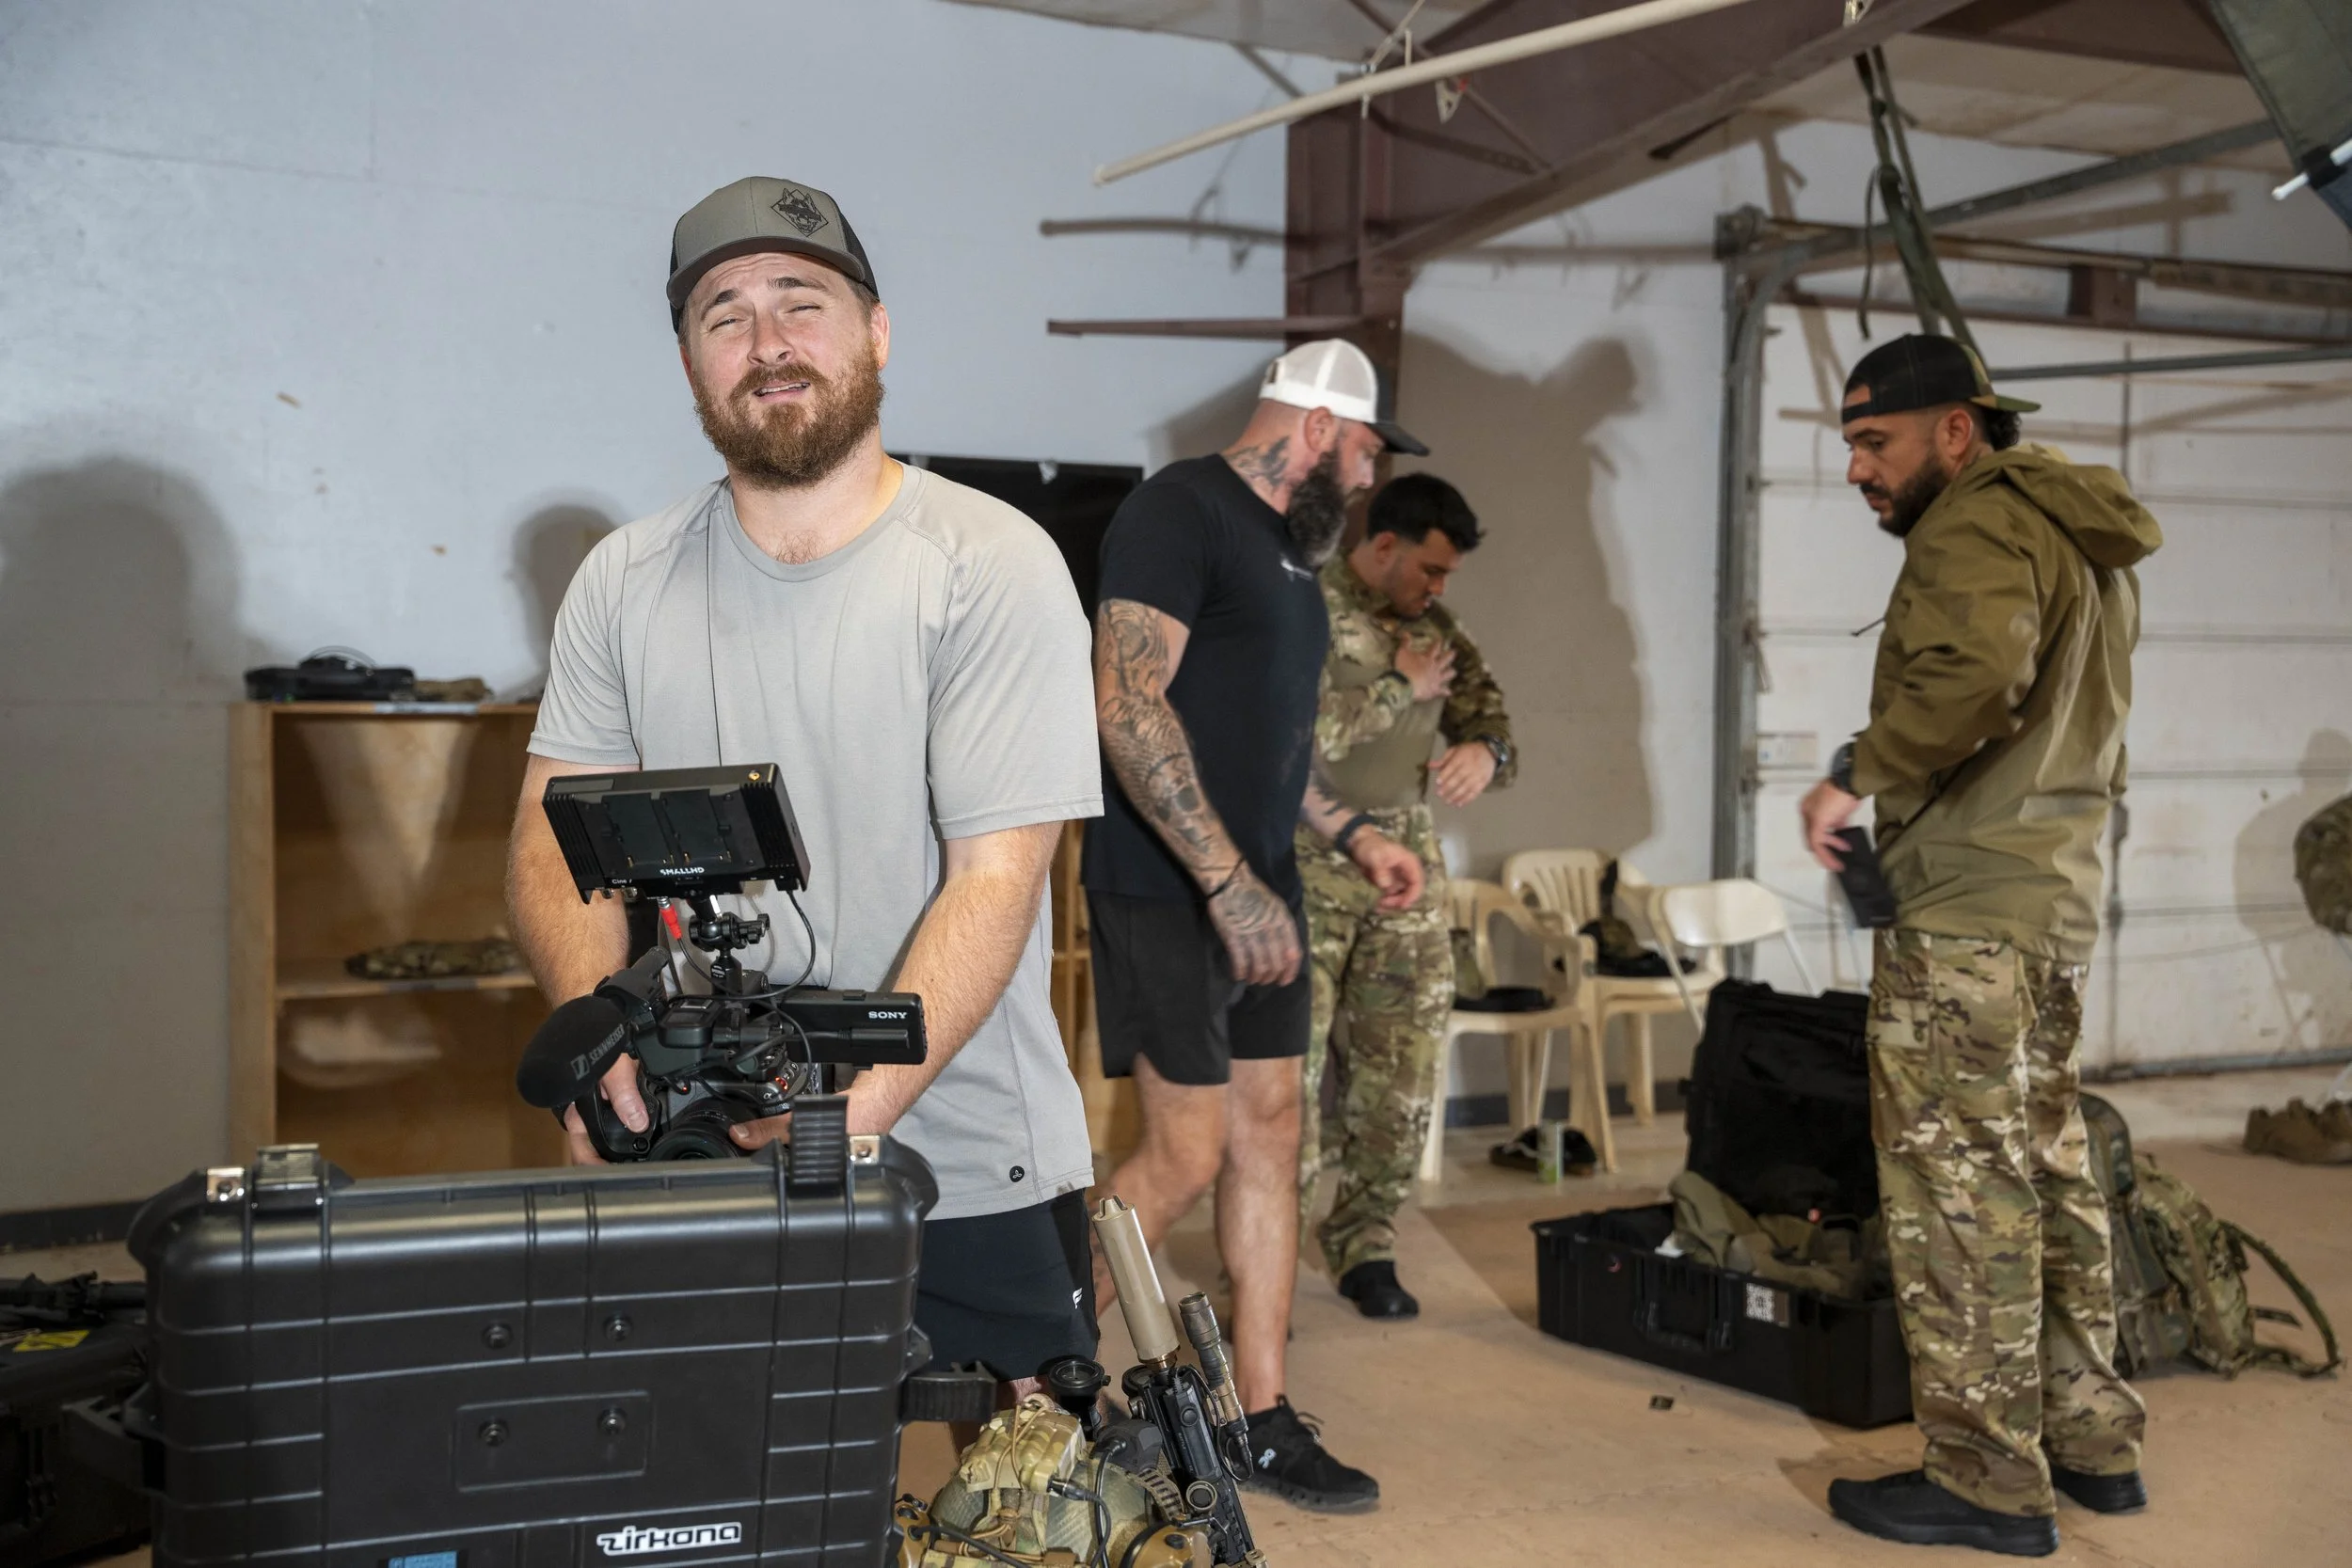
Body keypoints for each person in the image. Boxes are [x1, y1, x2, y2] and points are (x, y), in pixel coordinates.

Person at [507, 177, 1103, 1405]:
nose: (768, 341)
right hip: (702, 1148)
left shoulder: (991, 563)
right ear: (688, 363)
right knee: (715, 1492)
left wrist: (847, 1115)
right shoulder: (624, 579)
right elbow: (552, 835)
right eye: (724, 313)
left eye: (802, 302)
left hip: (968, 1156)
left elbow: (998, 875)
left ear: (876, 334)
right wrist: (594, 1038)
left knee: (1038, 1502)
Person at [1800, 334, 2159, 1558]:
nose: (1857, 468)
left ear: (1957, 430)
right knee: (2047, 1166)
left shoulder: (1973, 523)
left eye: (1874, 440)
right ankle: (2093, 1439)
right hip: (2052, 903)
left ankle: (1986, 1477)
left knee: (1957, 1189)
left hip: (1965, 909)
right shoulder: (2077, 526)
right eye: (1850, 442)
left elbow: (1974, 678)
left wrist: (1856, 772)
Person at [1083, 340, 1428, 1513]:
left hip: (1260, 885)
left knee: (1271, 1132)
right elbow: (1126, 700)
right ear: (1324, 427)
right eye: (1372, 452)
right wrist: (1226, 879)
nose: (1371, 480)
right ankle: (1050, 1383)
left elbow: (1265, 735)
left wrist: (1351, 834)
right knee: (1180, 1151)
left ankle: (1258, 1416)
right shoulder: (1179, 510)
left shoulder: (1287, 554)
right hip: (1172, 884)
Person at [1297, 472, 1515, 1320]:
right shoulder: (1309, 608)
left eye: (1447, 576)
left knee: (1403, 1066)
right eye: (1429, 569)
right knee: (1295, 1068)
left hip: (1408, 859)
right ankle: (1269, 1244)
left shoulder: (1439, 627)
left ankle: (1366, 1243)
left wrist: (1486, 753)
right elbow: (1299, 735)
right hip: (1310, 849)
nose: (1437, 587)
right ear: (1381, 544)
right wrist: (1401, 687)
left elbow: (1494, 716)